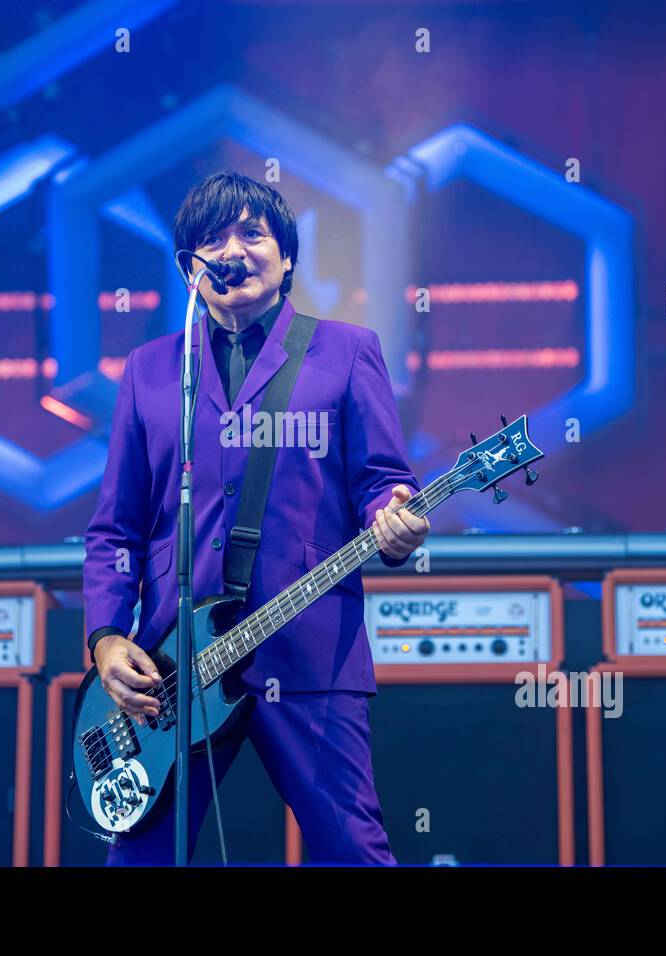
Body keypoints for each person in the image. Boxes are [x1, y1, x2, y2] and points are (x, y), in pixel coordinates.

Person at [82, 171, 429, 864]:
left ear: (288, 256)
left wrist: (395, 516)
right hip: (173, 668)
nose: (232, 249)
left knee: (353, 852)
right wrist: (106, 637)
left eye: (252, 233)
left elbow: (384, 481)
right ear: (189, 269)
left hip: (304, 650)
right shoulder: (151, 370)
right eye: (212, 240)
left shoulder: (346, 351)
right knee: (140, 863)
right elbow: (114, 529)